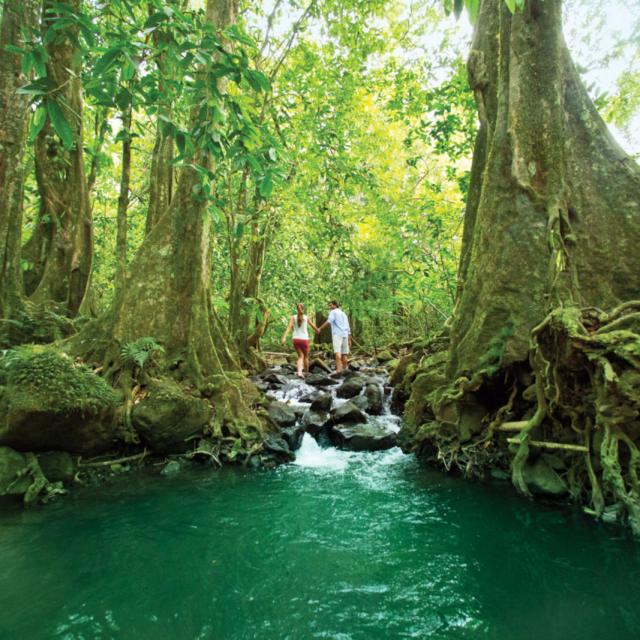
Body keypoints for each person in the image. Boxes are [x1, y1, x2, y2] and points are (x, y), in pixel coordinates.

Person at [281, 303, 320, 378]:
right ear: (303, 309)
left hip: (296, 339)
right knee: (305, 357)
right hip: (304, 340)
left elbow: (289, 327)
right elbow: (314, 327)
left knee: (300, 356)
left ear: (297, 309)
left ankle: (299, 372)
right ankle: (306, 372)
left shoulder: (293, 317)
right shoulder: (306, 317)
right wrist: (318, 330)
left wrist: (284, 337)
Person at [317, 300, 352, 373]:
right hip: (345, 334)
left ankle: (338, 370)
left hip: (337, 334)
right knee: (344, 353)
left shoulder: (333, 312)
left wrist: (320, 328)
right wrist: (349, 339)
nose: (329, 307)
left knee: (337, 352)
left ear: (335, 305)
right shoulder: (343, 313)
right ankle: (345, 370)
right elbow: (348, 327)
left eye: (330, 305)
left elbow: (329, 321)